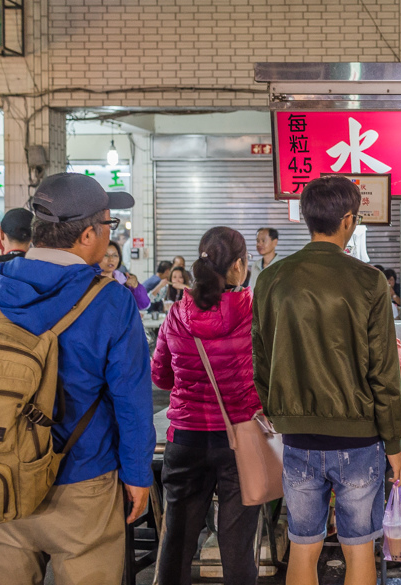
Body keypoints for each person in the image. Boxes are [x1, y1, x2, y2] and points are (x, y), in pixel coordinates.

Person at [0, 173, 154, 584]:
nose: (110, 234)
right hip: (82, 481)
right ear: (88, 233)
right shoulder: (110, 300)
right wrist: (138, 475)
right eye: (109, 224)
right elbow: (132, 399)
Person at [252, 175, 401, 585]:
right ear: (348, 220)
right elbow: (384, 374)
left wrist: (277, 413)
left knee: (304, 546)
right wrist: (394, 445)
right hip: (358, 440)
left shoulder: (271, 279)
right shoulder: (369, 281)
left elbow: (262, 361)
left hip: (298, 438)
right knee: (359, 549)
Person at [152, 227, 263, 585]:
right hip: (241, 442)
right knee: (238, 547)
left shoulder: (176, 314)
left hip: (186, 439)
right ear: (239, 267)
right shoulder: (255, 312)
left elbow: (161, 377)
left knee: (177, 543)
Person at [100, 240, 151, 310]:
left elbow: (144, 305)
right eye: (105, 255)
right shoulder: (89, 281)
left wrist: (136, 287)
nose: (111, 259)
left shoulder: (124, 280)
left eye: (115, 255)